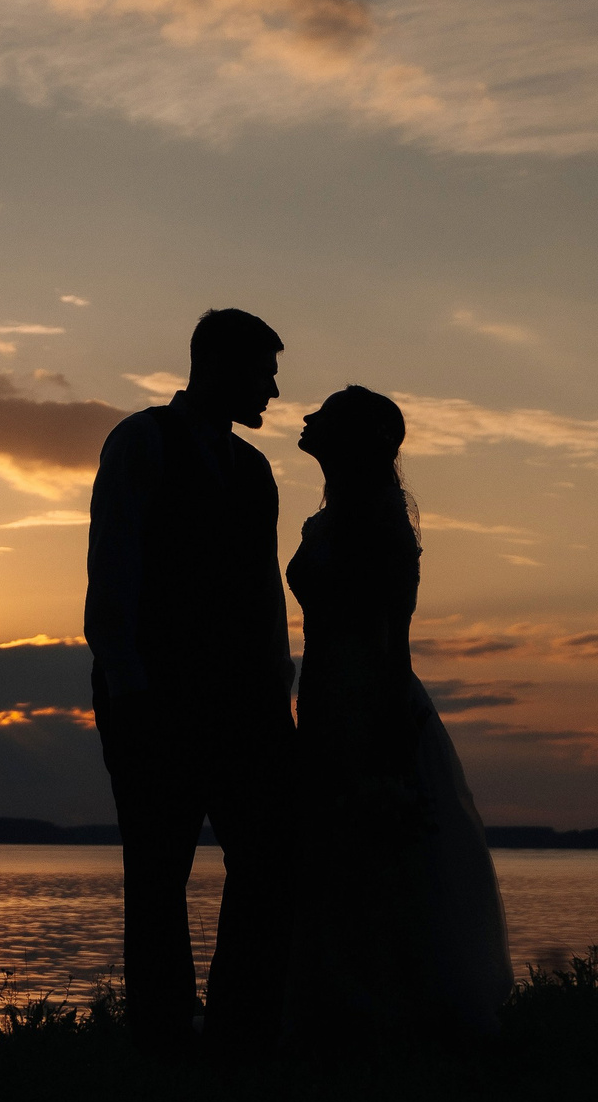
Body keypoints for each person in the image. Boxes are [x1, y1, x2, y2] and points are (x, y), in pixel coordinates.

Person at [85, 308, 296, 1057]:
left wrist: (279, 700)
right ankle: (163, 1039)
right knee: (156, 875)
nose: (273, 387)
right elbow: (113, 572)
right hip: (154, 699)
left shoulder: (254, 470)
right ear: (223, 367)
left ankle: (240, 1026)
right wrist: (130, 689)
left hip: (245, 706)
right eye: (264, 370)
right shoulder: (141, 441)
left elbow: (265, 600)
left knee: (265, 862)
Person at [287, 385, 512, 1038]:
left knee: (378, 849)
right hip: (330, 694)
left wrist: (383, 728)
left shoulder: (374, 518)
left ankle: (390, 1006)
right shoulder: (334, 516)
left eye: (324, 414)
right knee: (341, 857)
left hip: (366, 697)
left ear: (350, 437)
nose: (306, 417)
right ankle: (352, 1003)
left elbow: (391, 632)